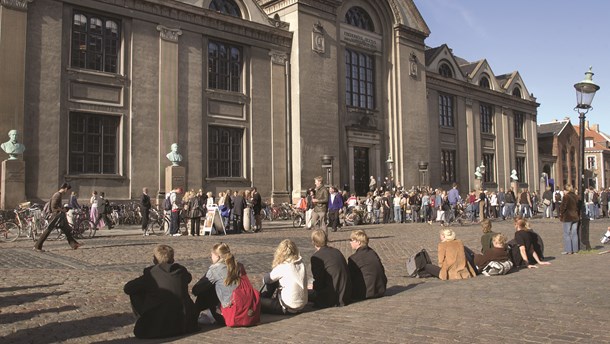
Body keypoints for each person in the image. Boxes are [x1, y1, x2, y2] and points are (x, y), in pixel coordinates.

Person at [123, 245, 197, 339]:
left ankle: (145, 319)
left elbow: (128, 288)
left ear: (155, 259)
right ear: (173, 259)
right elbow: (188, 278)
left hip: (158, 326)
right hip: (184, 323)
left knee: (136, 291)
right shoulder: (181, 270)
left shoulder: (151, 273)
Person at [192, 243, 255, 326]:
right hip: (248, 309)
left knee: (204, 293)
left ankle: (192, 320)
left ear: (217, 256)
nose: (211, 257)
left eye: (212, 255)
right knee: (216, 286)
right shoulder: (239, 266)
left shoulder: (215, 269)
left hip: (230, 313)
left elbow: (196, 290)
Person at [260, 239, 308, 314]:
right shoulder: (301, 264)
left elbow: (266, 279)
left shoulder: (284, 266)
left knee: (257, 301)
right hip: (301, 305)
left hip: (287, 307)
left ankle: (263, 298)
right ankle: (266, 298)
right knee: (276, 280)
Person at [309, 230, 351, 308]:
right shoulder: (336, 251)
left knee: (306, 294)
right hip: (346, 294)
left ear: (314, 242)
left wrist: (312, 286)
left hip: (332, 297)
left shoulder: (317, 257)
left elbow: (319, 282)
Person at [34, 183, 81, 251]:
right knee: (48, 230)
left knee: (66, 230)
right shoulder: (57, 195)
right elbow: (54, 207)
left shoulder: (59, 195)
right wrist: (63, 209)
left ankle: (74, 244)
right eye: (68, 190)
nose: (68, 192)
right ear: (65, 189)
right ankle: (37, 246)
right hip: (56, 216)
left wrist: (63, 208)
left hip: (60, 216)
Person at [347, 230, 387, 301]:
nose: (350, 242)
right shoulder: (372, 253)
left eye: (352, 240)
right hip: (380, 289)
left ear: (358, 242)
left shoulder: (353, 258)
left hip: (365, 292)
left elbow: (349, 277)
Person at [559, 184, 579, 255]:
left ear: (566, 190)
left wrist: (561, 214)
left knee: (566, 233)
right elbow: (579, 206)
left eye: (564, 190)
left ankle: (568, 250)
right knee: (574, 233)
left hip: (568, 217)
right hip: (575, 216)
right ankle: (575, 250)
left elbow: (563, 207)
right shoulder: (576, 196)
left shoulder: (566, 197)